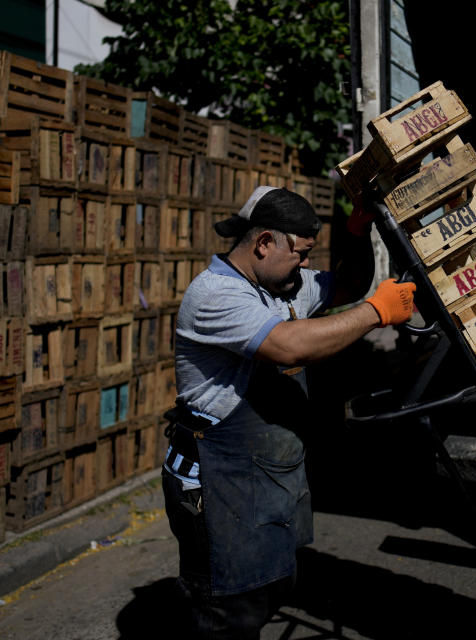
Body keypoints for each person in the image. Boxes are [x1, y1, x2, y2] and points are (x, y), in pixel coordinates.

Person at [161, 186, 416, 638]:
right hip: (218, 483)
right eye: (299, 254)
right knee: (227, 611)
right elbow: (288, 345)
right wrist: (375, 313)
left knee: (270, 586)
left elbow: (347, 283)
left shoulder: (278, 286)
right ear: (264, 243)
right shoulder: (216, 295)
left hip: (260, 480)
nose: (303, 266)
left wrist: (356, 230)